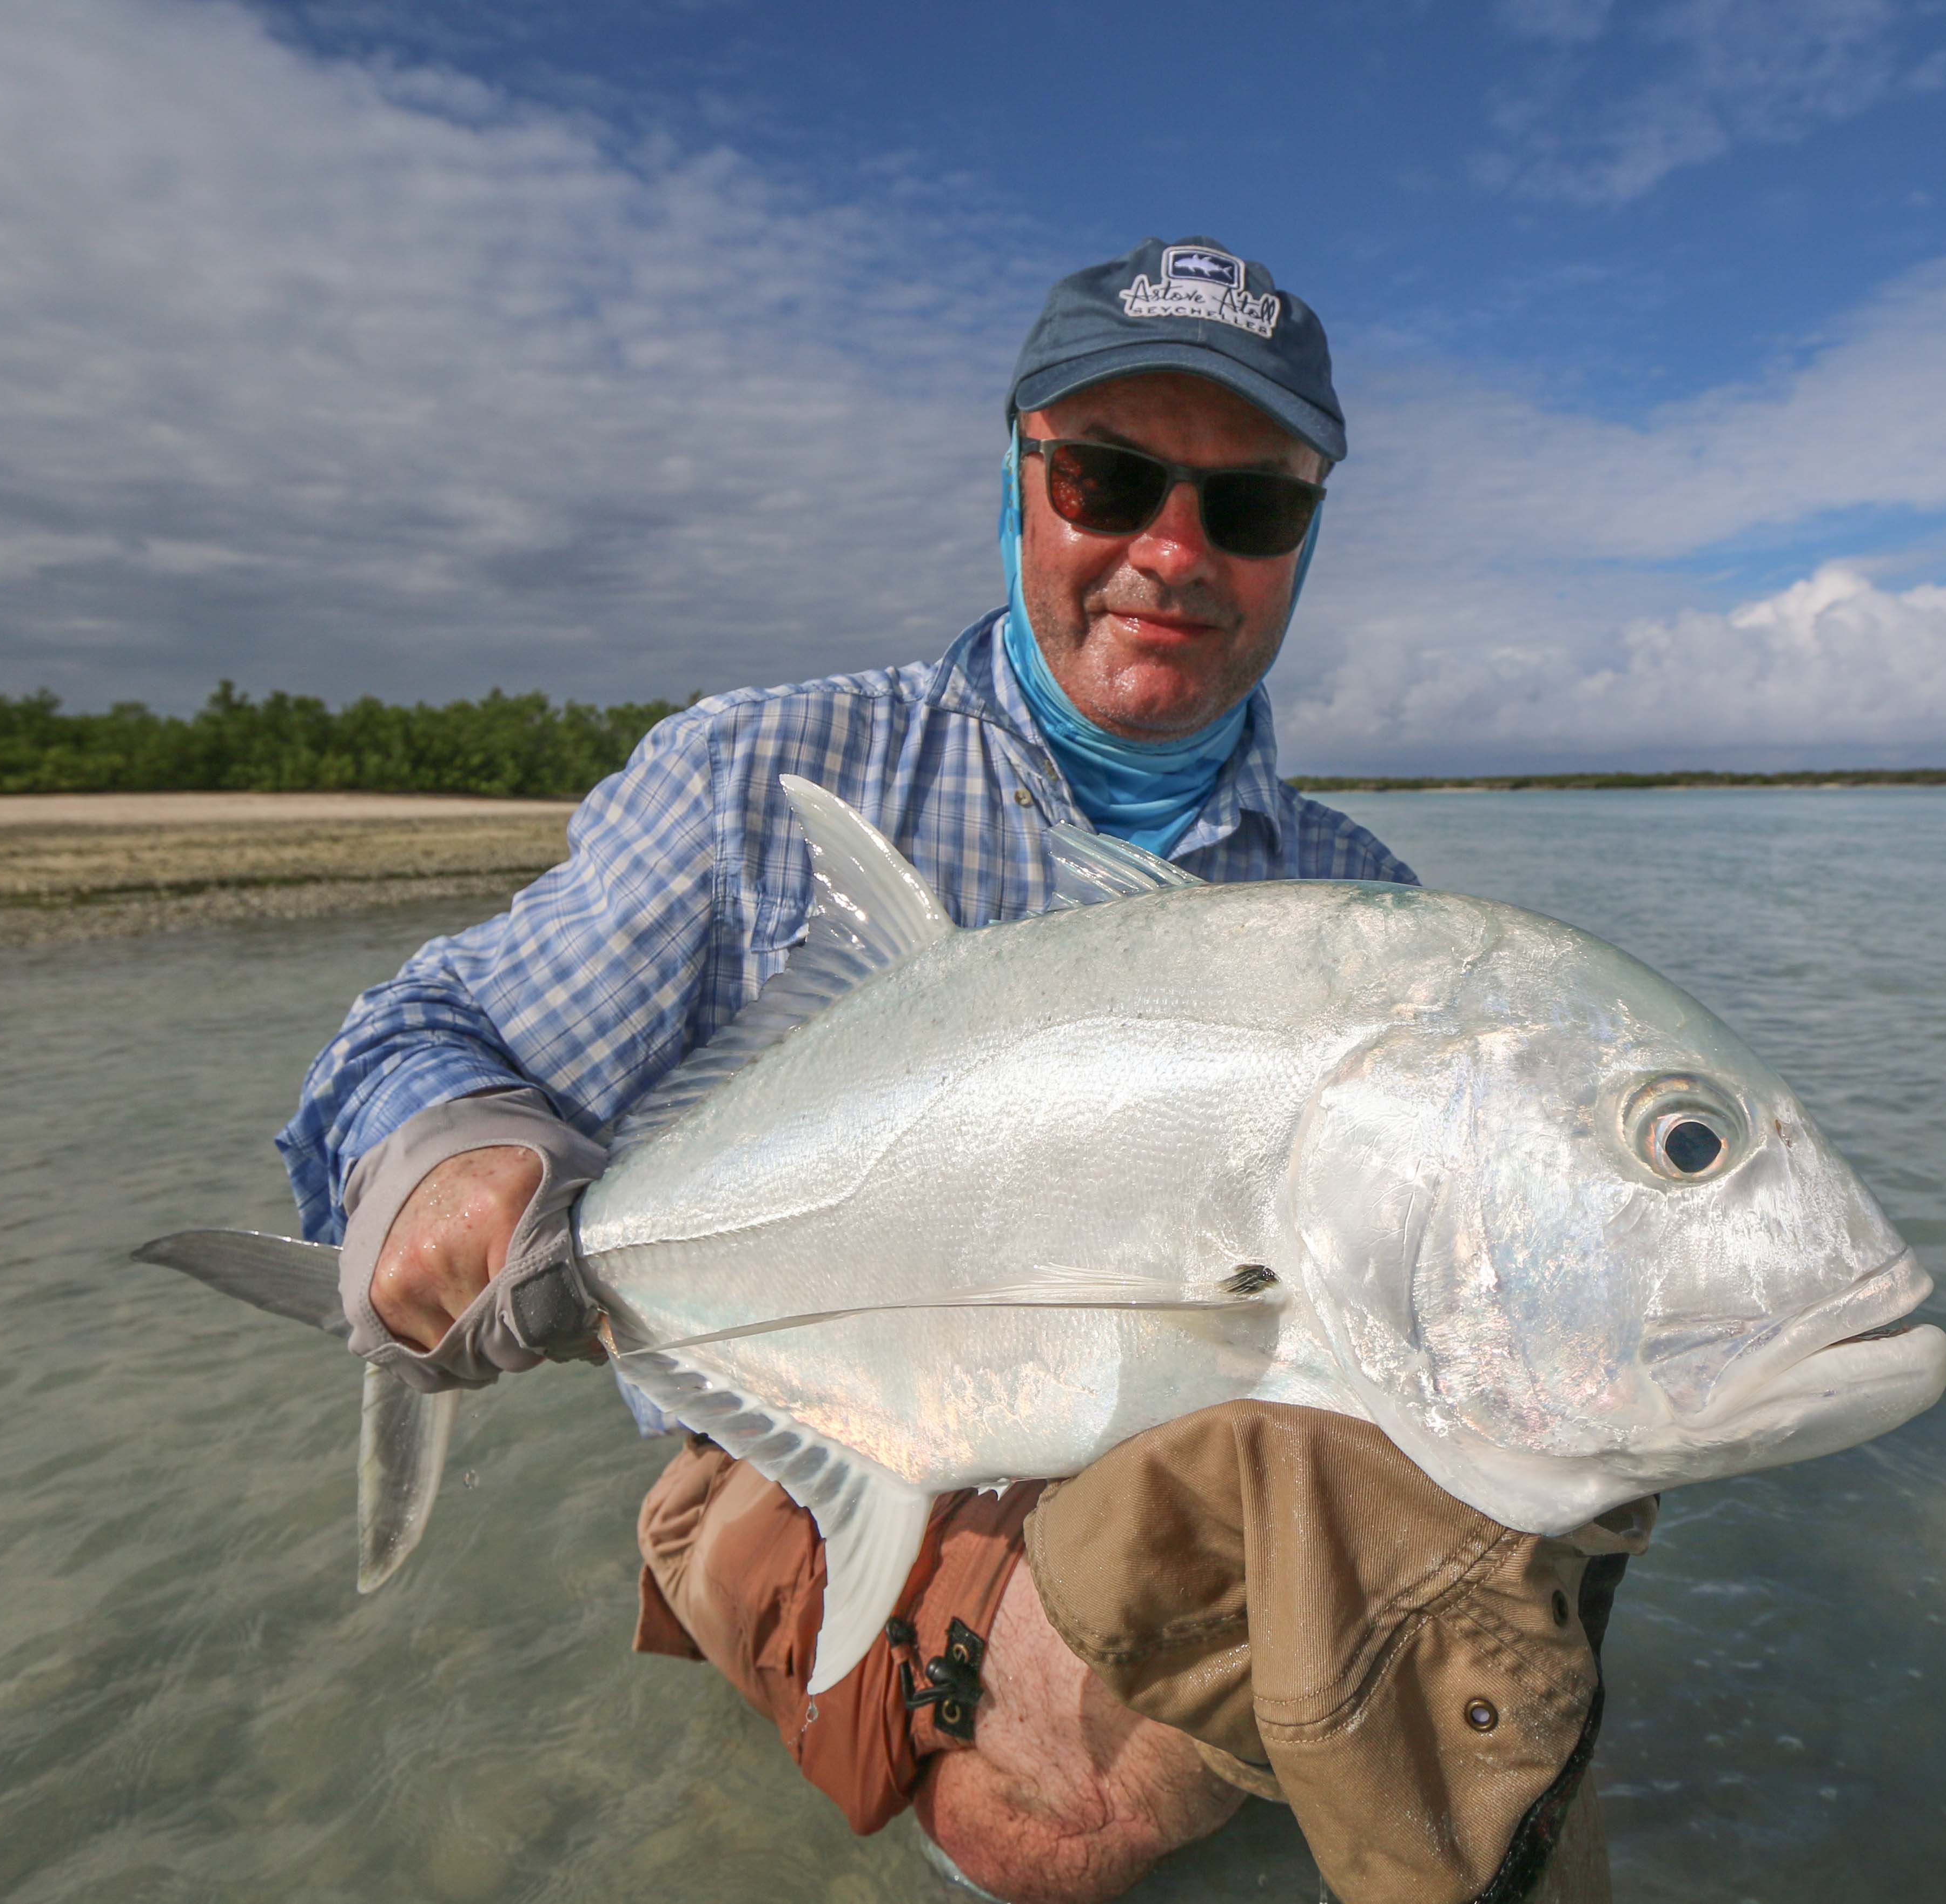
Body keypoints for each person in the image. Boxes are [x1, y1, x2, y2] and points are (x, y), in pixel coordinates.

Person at [280, 238, 1626, 1904]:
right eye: (1111, 478)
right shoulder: (762, 773)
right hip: (821, 1440)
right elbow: (405, 1042)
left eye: (1249, 509)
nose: (1172, 552)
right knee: (1072, 1816)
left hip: (1169, 1465)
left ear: (1305, 546)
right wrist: (443, 1164)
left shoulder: (1356, 905)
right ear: (1020, 478)